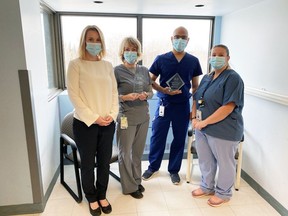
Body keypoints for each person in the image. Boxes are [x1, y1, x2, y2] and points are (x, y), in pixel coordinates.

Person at [67, 25, 119, 216]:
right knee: (88, 163)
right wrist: (94, 118)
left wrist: (111, 116)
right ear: (84, 41)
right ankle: (91, 197)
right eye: (90, 39)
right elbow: (74, 95)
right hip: (85, 124)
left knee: (104, 162)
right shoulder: (75, 64)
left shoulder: (107, 66)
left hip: (107, 123)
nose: (94, 43)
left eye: (97, 40)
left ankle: (102, 194)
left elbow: (114, 93)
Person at [142, 26, 203, 185]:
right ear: (171, 39)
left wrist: (194, 108)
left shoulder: (193, 61)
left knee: (179, 138)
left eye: (184, 37)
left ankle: (174, 170)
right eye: (177, 37)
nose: (180, 40)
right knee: (157, 136)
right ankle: (153, 167)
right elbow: (150, 80)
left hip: (182, 105)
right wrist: (163, 90)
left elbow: (195, 86)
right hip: (164, 104)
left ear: (188, 40)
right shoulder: (161, 59)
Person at [191, 44, 244, 207]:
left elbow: (228, 107)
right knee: (205, 160)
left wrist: (204, 122)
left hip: (224, 130)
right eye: (213, 54)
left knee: (225, 162)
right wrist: (193, 117)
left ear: (228, 58)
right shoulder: (208, 77)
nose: (216, 58)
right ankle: (207, 186)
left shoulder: (233, 78)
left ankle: (223, 193)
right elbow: (196, 98)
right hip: (202, 128)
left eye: (221, 55)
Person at [114, 37, 153, 199]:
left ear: (138, 52)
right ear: (122, 52)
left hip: (143, 117)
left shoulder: (144, 70)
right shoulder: (116, 71)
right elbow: (111, 95)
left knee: (137, 152)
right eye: (127, 49)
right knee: (125, 153)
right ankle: (129, 187)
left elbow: (151, 91)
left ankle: (137, 180)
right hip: (126, 118)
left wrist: (146, 95)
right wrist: (124, 97)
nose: (131, 52)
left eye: (134, 49)